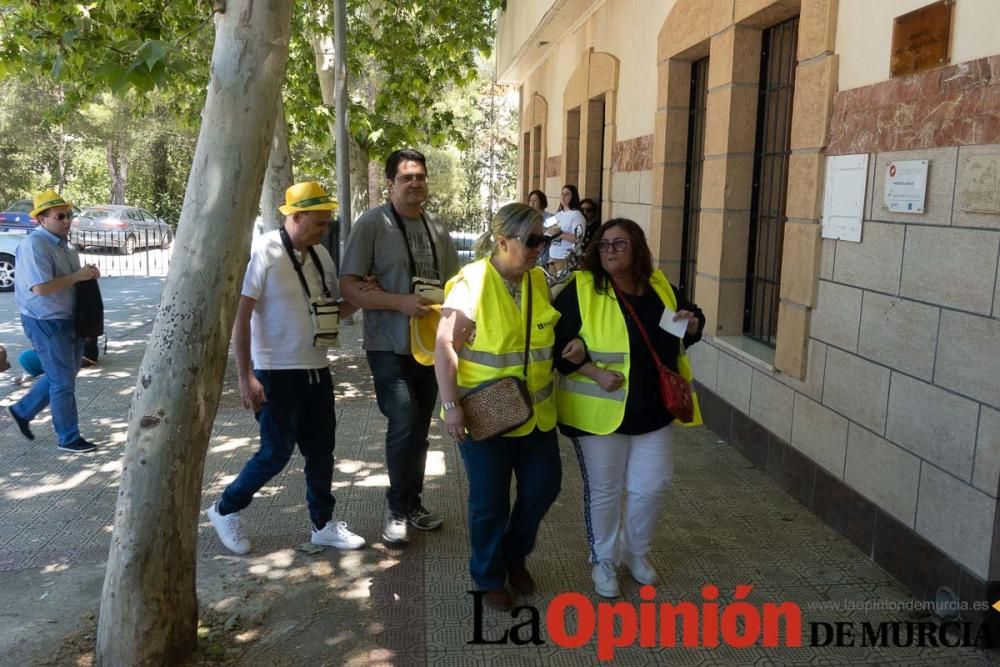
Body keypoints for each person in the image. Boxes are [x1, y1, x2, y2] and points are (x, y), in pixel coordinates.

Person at [206, 181, 367, 555]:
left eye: (327, 222)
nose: (325, 229)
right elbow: (241, 317)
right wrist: (246, 376)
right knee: (274, 454)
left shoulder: (321, 257)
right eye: (320, 222)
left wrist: (362, 300)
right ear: (296, 216)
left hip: (316, 369)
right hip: (275, 372)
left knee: (321, 451)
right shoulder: (266, 250)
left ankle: (323, 525)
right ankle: (224, 508)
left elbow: (329, 312)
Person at [552, 218, 705, 598]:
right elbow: (554, 348)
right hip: (598, 414)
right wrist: (591, 370)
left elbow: (688, 323)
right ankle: (603, 559)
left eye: (619, 244)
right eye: (603, 246)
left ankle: (634, 552)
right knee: (604, 491)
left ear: (637, 247)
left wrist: (693, 323)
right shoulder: (582, 288)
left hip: (654, 411)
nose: (610, 251)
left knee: (651, 487)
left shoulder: (659, 286)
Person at [435, 203, 568, 611]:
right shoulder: (472, 283)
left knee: (544, 489)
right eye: (531, 241)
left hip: (536, 415)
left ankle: (513, 554)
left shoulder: (539, 282)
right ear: (503, 241)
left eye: (543, 240)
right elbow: (444, 346)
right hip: (485, 415)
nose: (538, 248)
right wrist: (451, 404)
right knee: (490, 502)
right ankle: (490, 575)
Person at [340, 149, 460, 545]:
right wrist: (398, 301)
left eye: (420, 177)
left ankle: (412, 503)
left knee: (421, 429)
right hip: (388, 345)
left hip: (429, 347)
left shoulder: (437, 228)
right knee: (404, 420)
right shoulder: (372, 224)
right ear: (390, 183)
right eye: (406, 177)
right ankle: (396, 507)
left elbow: (455, 285)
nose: (415, 183)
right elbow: (349, 287)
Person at [7, 190, 100, 453]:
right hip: (45, 321)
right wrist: (78, 276)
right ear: (41, 219)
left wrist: (88, 275)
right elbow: (41, 289)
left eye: (69, 215)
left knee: (65, 376)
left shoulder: (64, 245)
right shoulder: (35, 245)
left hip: (69, 319)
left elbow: (72, 279)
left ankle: (22, 410)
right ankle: (68, 438)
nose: (67, 221)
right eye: (60, 216)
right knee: (63, 382)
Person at [546, 184, 585, 273]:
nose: (563, 196)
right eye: (562, 193)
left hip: (566, 258)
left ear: (573, 197)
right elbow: (548, 230)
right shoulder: (558, 214)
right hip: (552, 257)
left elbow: (578, 238)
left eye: (567, 194)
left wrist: (560, 233)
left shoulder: (576, 215)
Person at [527, 190, 554, 268]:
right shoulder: (527, 218)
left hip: (545, 256)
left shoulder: (550, 217)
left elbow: (551, 233)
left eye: (535, 201)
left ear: (541, 202)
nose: (532, 203)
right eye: (530, 201)